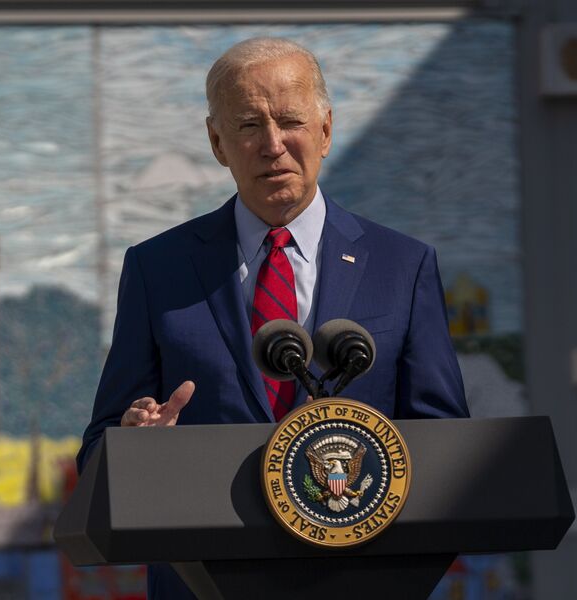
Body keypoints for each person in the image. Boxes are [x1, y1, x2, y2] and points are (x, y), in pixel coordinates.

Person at [78, 37, 469, 600]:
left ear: (325, 130)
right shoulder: (157, 268)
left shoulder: (402, 266)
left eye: (290, 121)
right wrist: (135, 445)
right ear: (217, 142)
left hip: (356, 580)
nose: (272, 145)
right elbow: (98, 448)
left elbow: (446, 444)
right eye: (248, 125)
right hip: (203, 582)